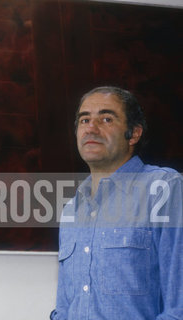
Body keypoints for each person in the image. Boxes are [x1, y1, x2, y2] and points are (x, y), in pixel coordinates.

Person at [50, 86, 183, 319]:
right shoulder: (72, 208)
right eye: (84, 120)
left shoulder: (163, 188)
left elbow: (179, 306)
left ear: (133, 134)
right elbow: (64, 307)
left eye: (106, 118)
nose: (91, 128)